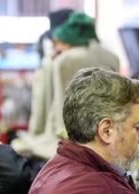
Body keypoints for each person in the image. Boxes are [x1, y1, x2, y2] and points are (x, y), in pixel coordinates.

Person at [13, 12, 120, 160]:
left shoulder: (60, 61)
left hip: (65, 142)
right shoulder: (113, 58)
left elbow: (51, 108)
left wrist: (37, 133)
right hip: (109, 138)